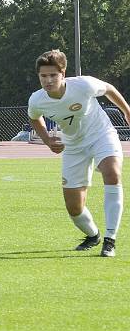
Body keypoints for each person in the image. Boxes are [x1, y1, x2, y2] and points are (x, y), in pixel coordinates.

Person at [28, 49, 129, 257]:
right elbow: (34, 117)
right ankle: (94, 235)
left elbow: (109, 89)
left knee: (112, 173)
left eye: (53, 75)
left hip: (102, 135)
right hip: (73, 146)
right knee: (74, 207)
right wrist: (47, 140)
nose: (48, 80)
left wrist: (127, 111)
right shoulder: (37, 100)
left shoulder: (84, 85)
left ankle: (110, 240)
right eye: (43, 76)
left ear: (63, 73)